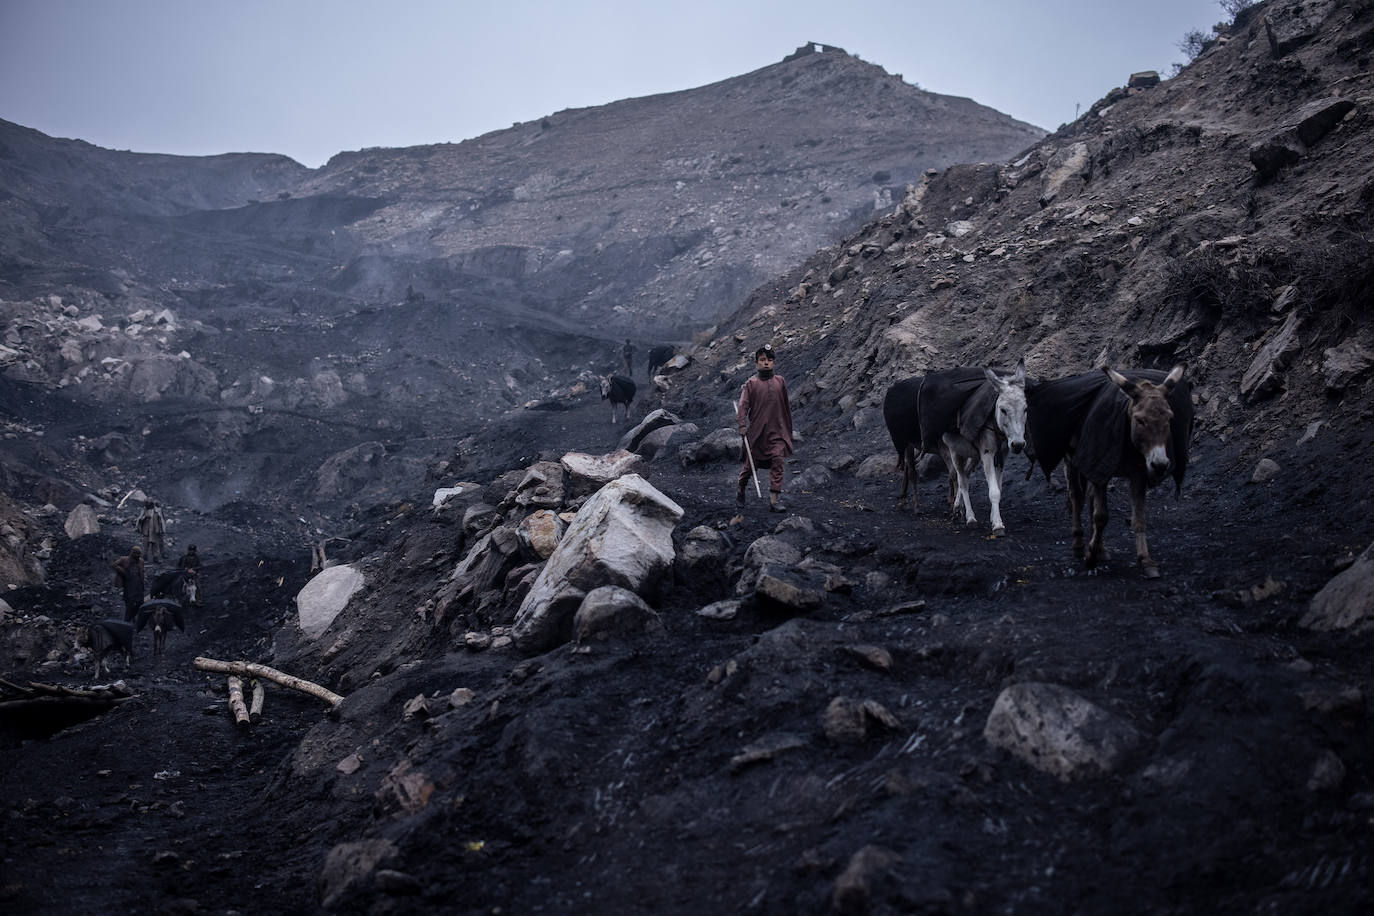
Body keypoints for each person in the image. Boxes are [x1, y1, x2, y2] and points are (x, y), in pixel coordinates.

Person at [736, 343, 794, 513]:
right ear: (756, 363)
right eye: (762, 360)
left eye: (769, 360)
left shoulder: (780, 381)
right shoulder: (751, 384)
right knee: (749, 467)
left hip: (777, 431)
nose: (766, 363)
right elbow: (743, 406)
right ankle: (740, 490)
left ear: (774, 363)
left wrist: (787, 429)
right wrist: (742, 425)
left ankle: (774, 501)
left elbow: (785, 405)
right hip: (757, 434)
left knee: (778, 460)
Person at [112, 546, 146, 623]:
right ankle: (126, 621)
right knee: (129, 603)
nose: (138, 556)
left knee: (140, 602)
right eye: (137, 554)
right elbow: (114, 565)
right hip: (128, 585)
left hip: (138, 585)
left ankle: (133, 616)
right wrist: (122, 571)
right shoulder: (124, 559)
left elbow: (142, 571)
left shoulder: (141, 561)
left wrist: (143, 579)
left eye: (139, 554)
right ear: (132, 553)